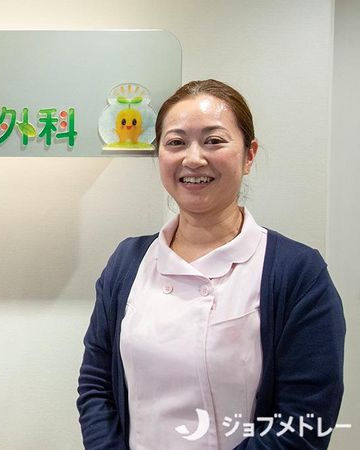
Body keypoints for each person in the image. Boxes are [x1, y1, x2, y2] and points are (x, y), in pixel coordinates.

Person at [77, 79, 345, 449]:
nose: (193, 158)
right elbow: (96, 386)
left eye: (214, 140)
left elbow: (305, 418)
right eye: (176, 142)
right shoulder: (128, 261)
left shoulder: (297, 273)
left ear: (249, 155)